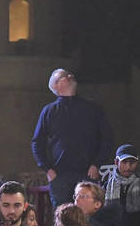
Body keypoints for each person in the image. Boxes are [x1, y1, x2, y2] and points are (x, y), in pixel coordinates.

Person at [31, 68, 114, 207]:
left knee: (88, 215)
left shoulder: (93, 108)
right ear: (56, 85)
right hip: (60, 176)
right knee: (63, 215)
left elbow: (107, 138)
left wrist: (97, 164)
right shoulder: (49, 111)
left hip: (87, 174)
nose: (70, 76)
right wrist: (48, 169)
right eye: (65, 75)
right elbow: (36, 143)